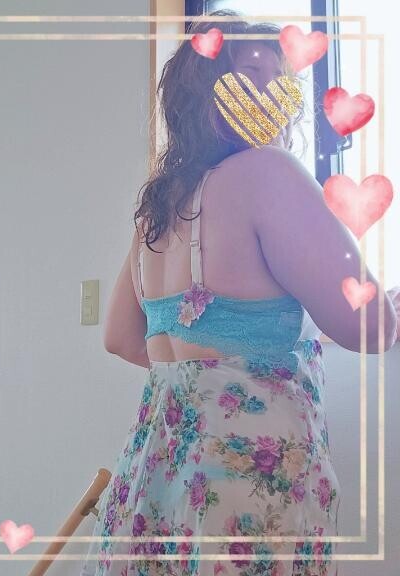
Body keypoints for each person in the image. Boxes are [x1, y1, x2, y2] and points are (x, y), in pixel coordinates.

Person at [81, 9, 398, 576]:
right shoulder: (268, 172)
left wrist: (204, 366)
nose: (270, 92)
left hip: (158, 477)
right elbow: (370, 330)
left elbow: (121, 338)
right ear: (205, 94)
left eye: (279, 77)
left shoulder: (159, 208)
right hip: (244, 483)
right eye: (251, 75)